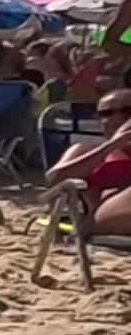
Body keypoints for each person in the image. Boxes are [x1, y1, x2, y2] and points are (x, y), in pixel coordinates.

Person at [45, 88, 131, 235]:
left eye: (128, 110)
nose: (120, 118)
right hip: (103, 219)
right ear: (98, 122)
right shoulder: (85, 150)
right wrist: (112, 145)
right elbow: (55, 180)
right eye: (107, 113)